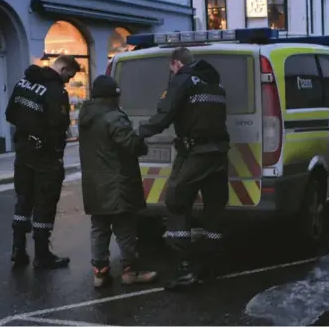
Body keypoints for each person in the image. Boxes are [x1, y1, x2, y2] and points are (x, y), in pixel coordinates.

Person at [137, 47, 229, 291]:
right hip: (218, 154)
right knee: (214, 209)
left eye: (171, 69)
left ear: (175, 63)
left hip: (194, 153)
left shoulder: (183, 80)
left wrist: (140, 133)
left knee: (177, 203)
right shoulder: (214, 83)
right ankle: (212, 266)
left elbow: (165, 114)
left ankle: (185, 268)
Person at [78, 75, 158, 288]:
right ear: (111, 96)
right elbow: (130, 145)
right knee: (125, 229)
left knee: (99, 227)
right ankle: (131, 271)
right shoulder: (114, 118)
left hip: (94, 184)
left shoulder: (85, 116)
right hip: (117, 183)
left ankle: (100, 272)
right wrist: (141, 135)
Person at [5, 54, 81, 270]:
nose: (68, 80)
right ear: (64, 69)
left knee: (23, 200)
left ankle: (18, 249)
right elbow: (59, 123)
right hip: (46, 156)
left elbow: (10, 113)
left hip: (23, 152)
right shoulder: (56, 92)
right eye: (69, 76)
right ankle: (42, 255)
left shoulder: (23, 83)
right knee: (45, 203)